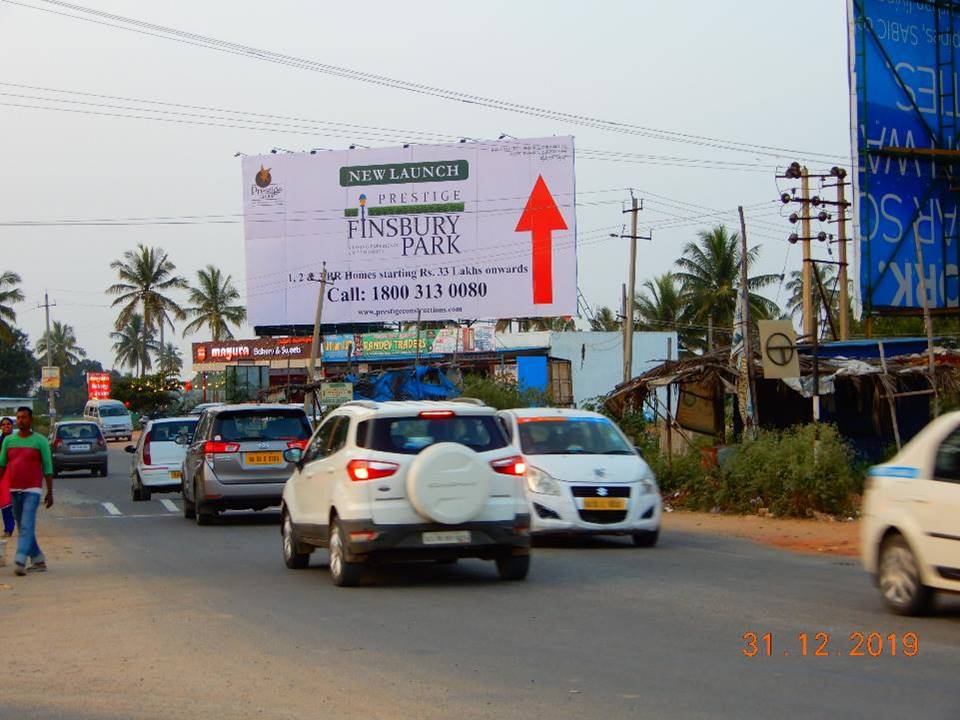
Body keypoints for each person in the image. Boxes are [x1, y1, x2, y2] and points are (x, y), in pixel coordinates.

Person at [0, 407, 53, 576]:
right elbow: (2, 465)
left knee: (27, 523)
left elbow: (48, 468)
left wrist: (50, 492)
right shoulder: (9, 441)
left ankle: (20, 559)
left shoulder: (40, 441)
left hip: (33, 490)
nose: (20, 420)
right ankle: (38, 560)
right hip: (14, 491)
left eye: (24, 417)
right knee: (23, 526)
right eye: (18, 417)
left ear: (30, 420)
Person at [0, 417, 13, 565]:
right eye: (3, 425)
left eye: (8, 424)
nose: (6, 426)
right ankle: (8, 528)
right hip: (3, 473)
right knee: (4, 501)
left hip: (15, 473)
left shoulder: (16, 440)